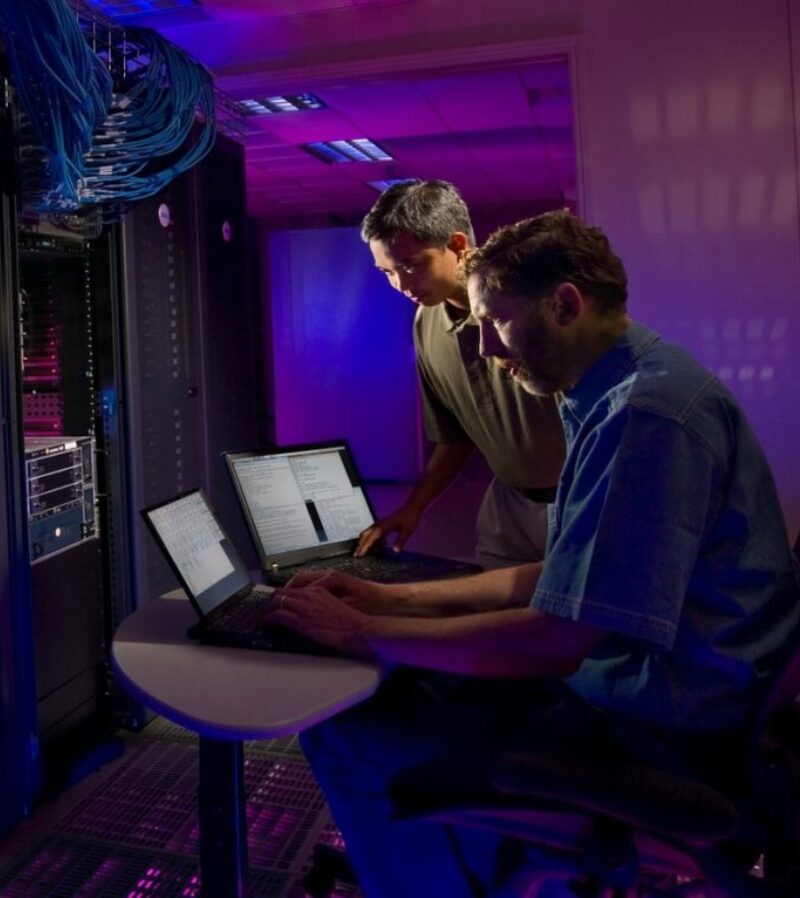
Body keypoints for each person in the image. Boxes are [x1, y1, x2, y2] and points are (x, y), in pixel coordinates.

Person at [266, 210, 800, 897]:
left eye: (496, 321)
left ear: (565, 304)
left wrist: (361, 631)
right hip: (685, 699)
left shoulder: (645, 415)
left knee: (349, 725)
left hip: (669, 732)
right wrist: (391, 599)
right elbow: (571, 578)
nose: (487, 347)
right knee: (412, 672)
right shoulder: (624, 386)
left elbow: (560, 638)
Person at [357, 180, 565, 569]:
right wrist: (414, 506)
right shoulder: (425, 323)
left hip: (579, 499)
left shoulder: (530, 304)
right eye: (387, 272)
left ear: (456, 244)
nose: (400, 285)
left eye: (411, 265)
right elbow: (455, 437)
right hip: (507, 503)